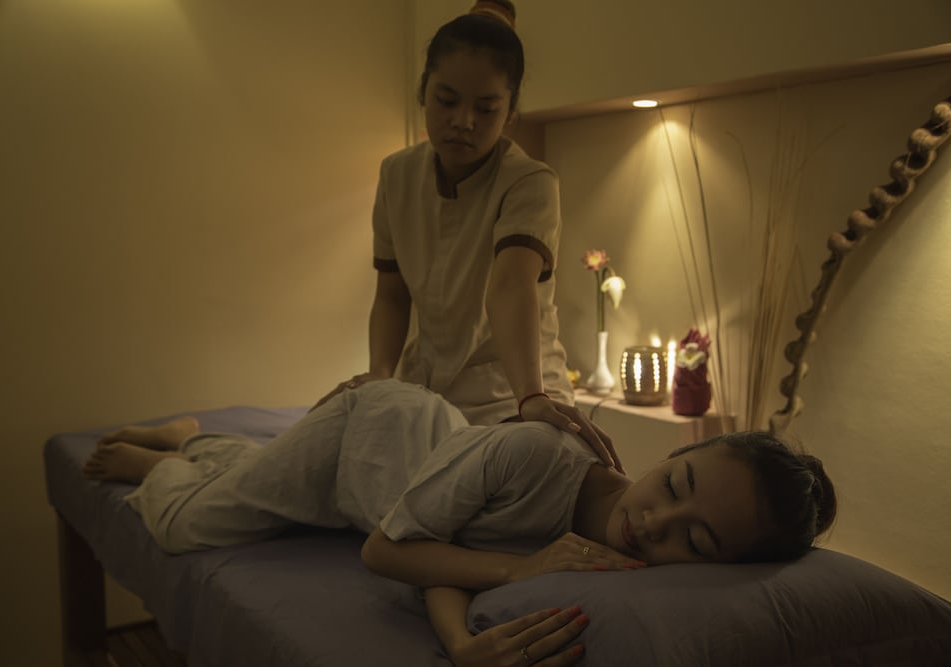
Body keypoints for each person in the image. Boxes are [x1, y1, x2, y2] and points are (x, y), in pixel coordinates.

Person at [82, 379, 837, 667]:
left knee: (252, 480)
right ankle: (177, 445)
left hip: (425, 477)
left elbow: (452, 554)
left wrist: (465, 645)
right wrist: (517, 574)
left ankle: (213, 451)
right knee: (182, 522)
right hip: (365, 441)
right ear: (674, 454)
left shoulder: (627, 555)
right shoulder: (535, 454)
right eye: (674, 483)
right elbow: (388, 550)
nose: (655, 520)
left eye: (695, 539)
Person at [311, 0, 620, 468]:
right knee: (326, 453)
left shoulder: (529, 182)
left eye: (486, 108)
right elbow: (392, 295)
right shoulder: (397, 174)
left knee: (529, 473)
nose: (463, 121)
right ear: (423, 92)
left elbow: (510, 286)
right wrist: (379, 377)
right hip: (425, 391)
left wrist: (531, 397)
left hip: (516, 393)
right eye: (447, 100)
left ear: (510, 113)